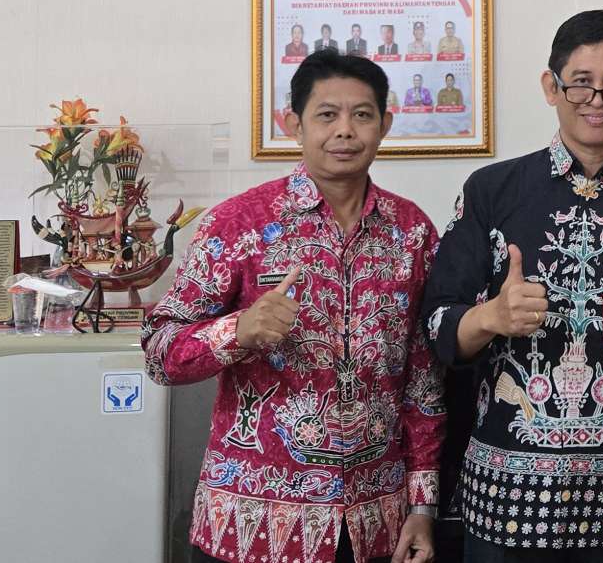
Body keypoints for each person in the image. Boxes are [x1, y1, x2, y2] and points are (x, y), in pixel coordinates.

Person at [421, 10, 603, 562]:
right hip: (509, 495)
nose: (596, 98)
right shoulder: (491, 191)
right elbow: (436, 324)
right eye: (580, 82)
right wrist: (491, 317)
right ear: (551, 87)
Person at [144, 50, 444, 563]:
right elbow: (159, 352)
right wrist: (237, 331)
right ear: (294, 125)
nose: (345, 130)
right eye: (327, 114)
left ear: (385, 125)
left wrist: (423, 504)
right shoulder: (238, 224)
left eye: (362, 114)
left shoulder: (411, 231)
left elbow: (424, 377)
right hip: (251, 522)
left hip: (377, 521)